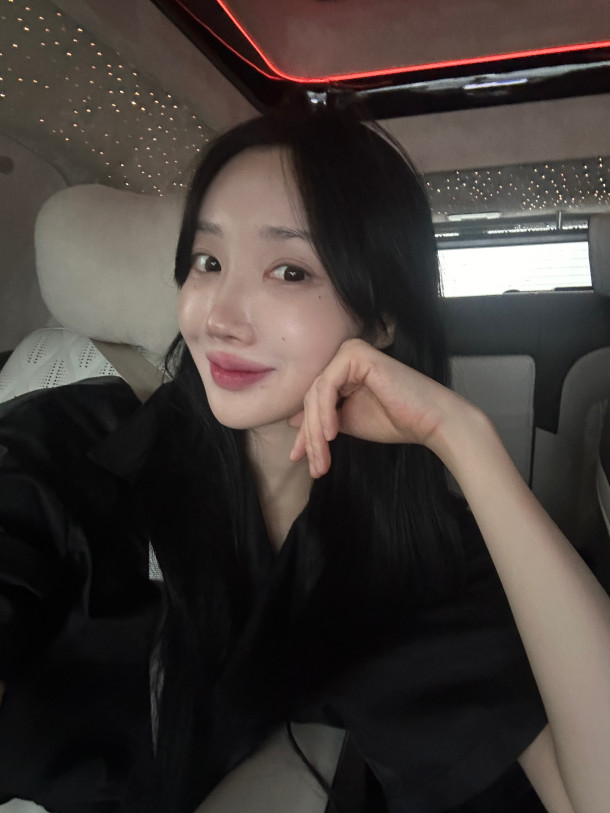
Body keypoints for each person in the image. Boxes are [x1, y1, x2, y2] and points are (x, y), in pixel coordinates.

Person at [0, 101, 609, 813]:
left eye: (288, 271)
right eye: (207, 262)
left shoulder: (410, 553)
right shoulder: (65, 445)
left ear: (381, 319)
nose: (219, 317)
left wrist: (465, 440)